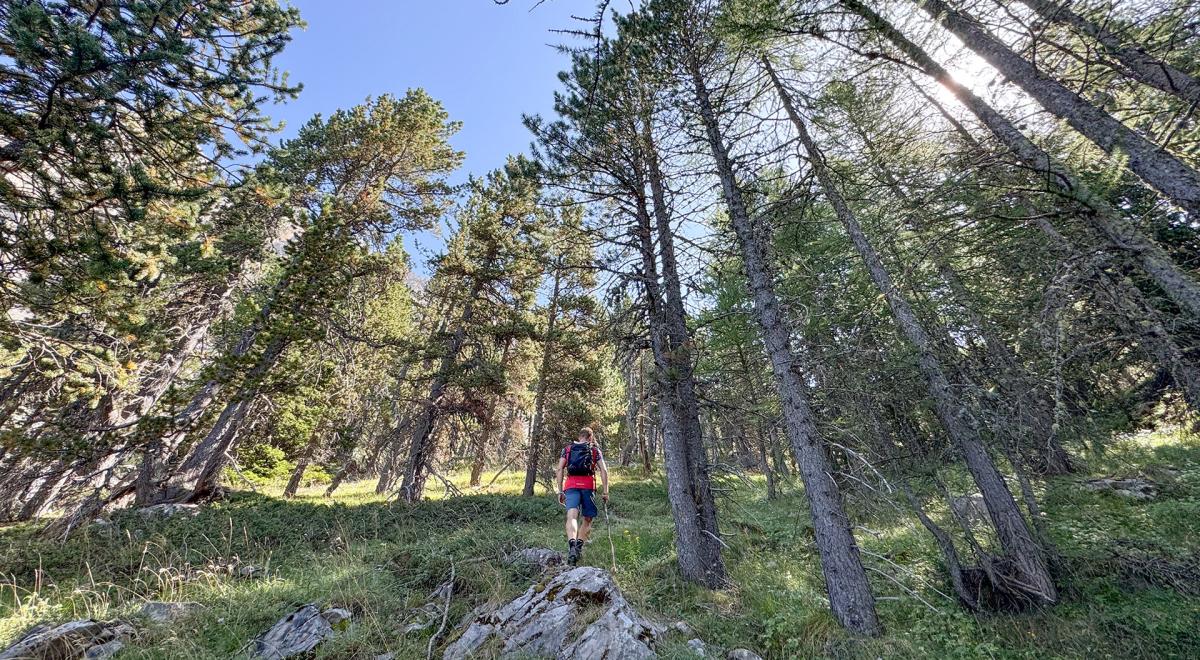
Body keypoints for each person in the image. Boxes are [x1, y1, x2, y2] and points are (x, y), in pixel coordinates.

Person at [555, 426, 609, 566]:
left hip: (571, 485)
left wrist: (560, 490)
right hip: (588, 486)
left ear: (579, 436)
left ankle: (571, 546)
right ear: (590, 437)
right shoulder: (595, 450)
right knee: (587, 519)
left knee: (572, 515)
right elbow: (603, 470)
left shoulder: (567, 449)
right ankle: (578, 548)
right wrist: (605, 491)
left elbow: (559, 468)